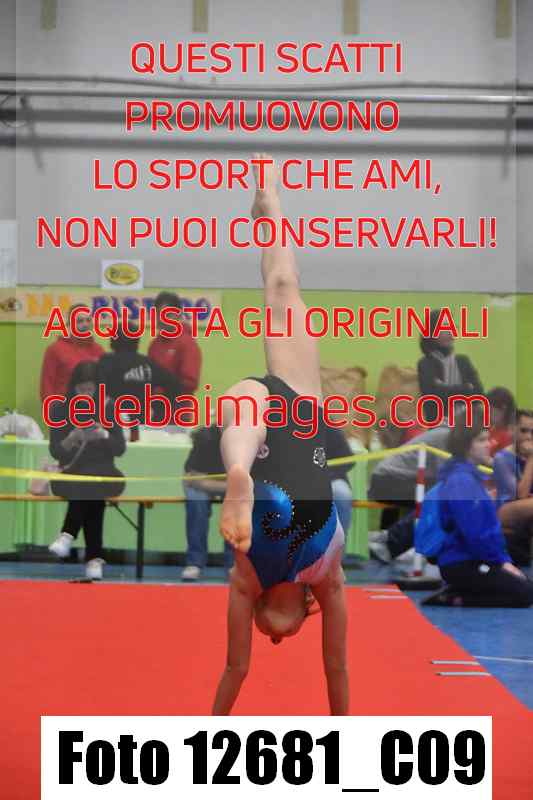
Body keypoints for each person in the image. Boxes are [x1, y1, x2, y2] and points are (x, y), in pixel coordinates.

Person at [211, 155, 348, 716]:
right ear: (304, 613)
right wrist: (345, 735)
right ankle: (269, 202)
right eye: (282, 638)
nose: (273, 640)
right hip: (301, 407)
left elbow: (235, 668)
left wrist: (210, 731)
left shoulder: (247, 579)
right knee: (284, 284)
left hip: (265, 429)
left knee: (244, 422)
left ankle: (237, 473)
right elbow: (336, 667)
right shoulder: (328, 577)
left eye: (265, 636)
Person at [424, 408, 533, 607]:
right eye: (482, 440)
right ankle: (454, 597)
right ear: (467, 446)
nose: (489, 444)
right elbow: (475, 535)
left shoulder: (472, 478)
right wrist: (500, 562)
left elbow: (489, 530)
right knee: (524, 594)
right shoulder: (461, 481)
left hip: (476, 558)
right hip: (461, 563)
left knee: (527, 586)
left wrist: (504, 560)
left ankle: (461, 591)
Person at [47, 361, 126, 580]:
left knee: (92, 483)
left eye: (90, 389)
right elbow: (55, 451)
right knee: (91, 489)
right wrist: (72, 438)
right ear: (73, 387)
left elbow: (120, 449)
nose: (85, 394)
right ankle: (94, 559)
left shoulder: (108, 407)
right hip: (71, 473)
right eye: (81, 389)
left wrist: (104, 435)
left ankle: (67, 535)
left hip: (104, 473)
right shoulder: (60, 409)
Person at [368, 423, 450, 563]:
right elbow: (445, 475)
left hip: (389, 478)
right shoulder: (446, 436)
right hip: (387, 481)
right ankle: (390, 541)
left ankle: (389, 537)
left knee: (437, 498)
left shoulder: (443, 433)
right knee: (436, 501)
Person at [97, 323, 182, 433]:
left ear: (113, 341)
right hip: (141, 425)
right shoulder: (147, 364)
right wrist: (158, 410)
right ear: (137, 341)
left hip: (111, 424)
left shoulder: (105, 363)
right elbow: (175, 387)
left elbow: (95, 393)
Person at [182, 424, 233, 581]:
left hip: (230, 484)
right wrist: (231, 486)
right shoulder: (205, 437)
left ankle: (234, 563)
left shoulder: (248, 438)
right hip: (200, 481)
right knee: (196, 502)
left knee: (236, 502)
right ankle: (194, 563)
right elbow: (194, 479)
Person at [417, 308, 483, 424]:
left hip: (467, 426)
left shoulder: (463, 361)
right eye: (444, 328)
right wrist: (465, 388)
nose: (450, 331)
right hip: (439, 426)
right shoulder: (425, 364)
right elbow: (432, 399)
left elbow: (479, 394)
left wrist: (443, 388)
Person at [148, 291, 202, 422]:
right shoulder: (155, 344)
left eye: (167, 314)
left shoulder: (187, 344)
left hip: (178, 412)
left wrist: (163, 386)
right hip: (157, 410)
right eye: (158, 314)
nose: (161, 319)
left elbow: (191, 382)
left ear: (178, 315)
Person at [40, 304, 104, 403]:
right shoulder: (55, 349)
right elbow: (47, 385)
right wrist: (52, 409)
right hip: (63, 408)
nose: (85, 324)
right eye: (80, 321)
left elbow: (104, 384)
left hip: (93, 408)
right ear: (70, 324)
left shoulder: (98, 350)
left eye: (88, 320)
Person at [493, 409, 533, 566]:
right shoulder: (502, 458)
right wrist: (531, 459)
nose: (529, 437)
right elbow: (520, 495)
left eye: (532, 432)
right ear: (512, 430)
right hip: (505, 512)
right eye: (524, 431)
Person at [325, 426, 354, 537]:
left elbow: (348, 459)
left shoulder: (325, 422)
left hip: (329, 478)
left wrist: (326, 475)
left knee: (341, 494)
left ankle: (338, 545)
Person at [487, 387, 515, 457]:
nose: (488, 412)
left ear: (504, 410)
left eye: (491, 409)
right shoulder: (490, 427)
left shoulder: (510, 435)